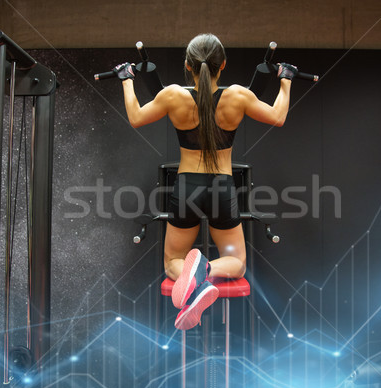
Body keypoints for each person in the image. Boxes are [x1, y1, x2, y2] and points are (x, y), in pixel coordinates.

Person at [116, 33, 297, 330]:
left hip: (187, 186)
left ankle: (195, 277)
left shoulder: (172, 95)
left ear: (188, 66)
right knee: (237, 262)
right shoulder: (239, 96)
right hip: (221, 187)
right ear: (222, 64)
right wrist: (285, 78)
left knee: (173, 259)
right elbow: (278, 116)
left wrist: (126, 79)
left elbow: (136, 117)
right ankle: (207, 269)